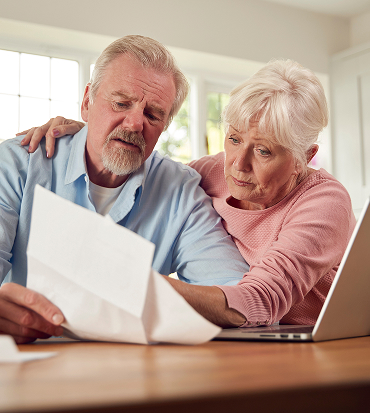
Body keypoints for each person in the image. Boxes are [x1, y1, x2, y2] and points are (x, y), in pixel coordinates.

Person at [26, 59, 356, 328]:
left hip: (321, 343)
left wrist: (138, 282)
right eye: (235, 139)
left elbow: (263, 301)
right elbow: (146, 167)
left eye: (265, 152)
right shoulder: (211, 172)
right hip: (249, 337)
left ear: (306, 157)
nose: (239, 165)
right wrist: (89, 133)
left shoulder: (325, 203)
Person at [0, 35, 250, 344]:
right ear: (87, 102)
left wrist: (134, 285)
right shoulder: (17, 165)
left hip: (135, 376)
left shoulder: (180, 192)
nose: (134, 124)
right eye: (121, 103)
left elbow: (239, 299)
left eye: (152, 114)